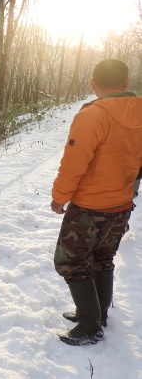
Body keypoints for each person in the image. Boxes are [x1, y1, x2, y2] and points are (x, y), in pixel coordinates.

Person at [51, 59, 142, 346]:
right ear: (126, 83)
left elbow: (75, 161)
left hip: (91, 205)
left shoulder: (94, 114)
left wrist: (59, 196)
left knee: (70, 261)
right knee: (102, 258)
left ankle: (90, 326)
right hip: (122, 202)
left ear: (93, 84)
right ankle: (95, 313)